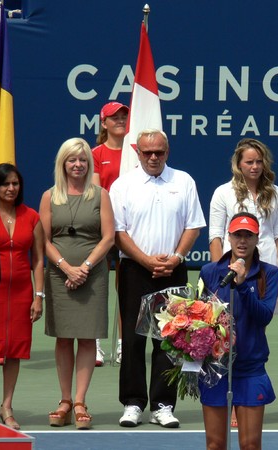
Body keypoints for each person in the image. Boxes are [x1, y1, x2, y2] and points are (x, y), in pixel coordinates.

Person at [110, 129, 205, 428]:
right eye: (148, 152)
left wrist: (175, 258)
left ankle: (163, 405)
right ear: (137, 152)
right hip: (135, 270)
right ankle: (133, 403)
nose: (153, 158)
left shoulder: (184, 181)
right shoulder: (122, 185)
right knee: (134, 339)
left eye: (159, 152)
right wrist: (145, 260)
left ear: (167, 151)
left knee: (170, 340)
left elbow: (193, 226)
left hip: (173, 269)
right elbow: (117, 232)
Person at [39, 138, 114, 430]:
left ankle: (81, 401)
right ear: (63, 163)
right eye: (72, 160)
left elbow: (107, 237)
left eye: (83, 160)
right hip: (59, 276)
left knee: (86, 338)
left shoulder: (101, 195)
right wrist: (66, 268)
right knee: (63, 337)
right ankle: (65, 401)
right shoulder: (49, 196)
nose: (78, 164)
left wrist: (83, 268)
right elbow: (43, 240)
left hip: (92, 276)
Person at [198, 212, 278, 450]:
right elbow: (200, 319)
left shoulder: (270, 274)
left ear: (257, 238)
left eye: (248, 235)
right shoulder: (210, 272)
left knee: (251, 445)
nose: (242, 241)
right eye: (237, 235)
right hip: (216, 370)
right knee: (214, 445)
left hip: (250, 369)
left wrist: (243, 287)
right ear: (229, 237)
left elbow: (264, 316)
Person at [0, 164, 44, 429]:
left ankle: (6, 406)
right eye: (5, 184)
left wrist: (39, 296)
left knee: (14, 349)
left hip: (21, 293)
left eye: (15, 183)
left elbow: (38, 260)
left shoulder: (32, 217)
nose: (11, 188)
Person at [209, 138, 278, 307]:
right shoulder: (223, 192)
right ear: (238, 164)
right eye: (249, 162)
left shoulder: (276, 192)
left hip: (266, 269)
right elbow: (216, 237)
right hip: (232, 269)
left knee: (260, 321)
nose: (255, 167)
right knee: (228, 323)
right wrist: (218, 276)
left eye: (259, 162)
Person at [91, 101, 130, 367]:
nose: (119, 120)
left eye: (123, 116)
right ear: (103, 123)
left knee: (125, 287)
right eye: (113, 117)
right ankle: (94, 344)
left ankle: (122, 344)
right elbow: (96, 193)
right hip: (102, 227)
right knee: (97, 286)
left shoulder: (136, 153)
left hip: (129, 228)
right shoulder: (94, 153)